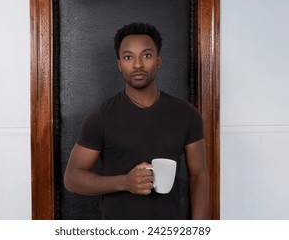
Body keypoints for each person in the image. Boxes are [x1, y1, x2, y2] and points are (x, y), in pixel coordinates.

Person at [64, 22, 209, 220]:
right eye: (128, 57)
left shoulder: (187, 114)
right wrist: (125, 182)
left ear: (158, 61)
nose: (138, 64)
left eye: (147, 55)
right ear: (119, 65)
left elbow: (199, 175)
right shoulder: (100, 117)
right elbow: (72, 178)